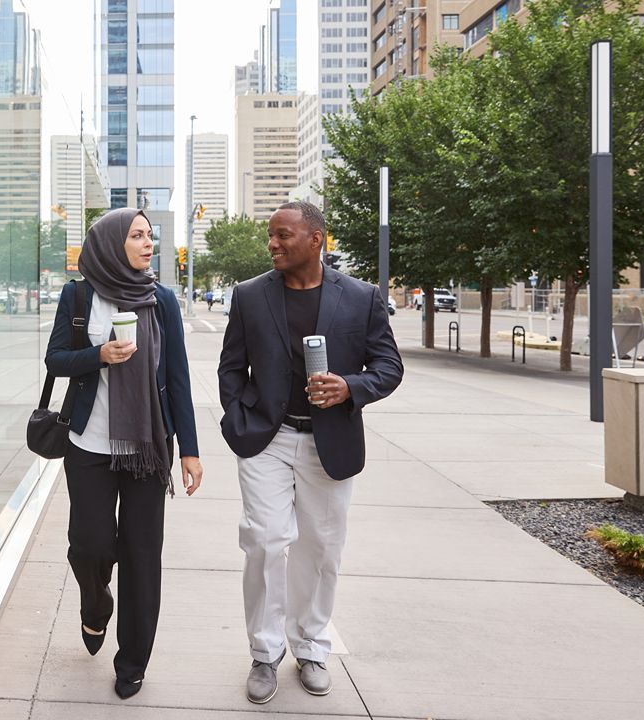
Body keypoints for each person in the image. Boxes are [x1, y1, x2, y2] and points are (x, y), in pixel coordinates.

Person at [218, 201, 403, 704]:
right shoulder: (250, 295)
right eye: (271, 235)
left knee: (321, 548)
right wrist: (237, 417)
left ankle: (311, 647)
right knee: (265, 540)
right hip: (267, 439)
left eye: (283, 235)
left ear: (316, 239)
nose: (272, 243)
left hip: (330, 440)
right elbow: (231, 366)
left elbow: (389, 366)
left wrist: (350, 387)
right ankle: (264, 652)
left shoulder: (361, 297)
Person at [45, 208, 204, 700]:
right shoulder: (78, 296)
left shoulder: (162, 300)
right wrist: (99, 356)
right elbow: (55, 359)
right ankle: (95, 605)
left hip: (147, 449)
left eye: (150, 236)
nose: (147, 243)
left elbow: (177, 376)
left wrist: (190, 450)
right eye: (136, 235)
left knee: (142, 555)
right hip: (88, 446)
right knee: (90, 546)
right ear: (112, 244)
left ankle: (133, 661)